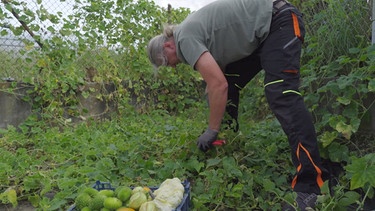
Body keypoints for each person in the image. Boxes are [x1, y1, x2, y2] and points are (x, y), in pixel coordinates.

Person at [147, 0, 330, 209]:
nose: (172, 66)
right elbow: (218, 80)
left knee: (281, 93)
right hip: (263, 34)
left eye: (167, 62)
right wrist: (214, 101)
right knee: (231, 79)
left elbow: (218, 85)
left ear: (168, 46)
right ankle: (228, 145)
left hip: (279, 22)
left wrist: (211, 129)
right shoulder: (190, 33)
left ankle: (310, 186)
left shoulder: (184, 39)